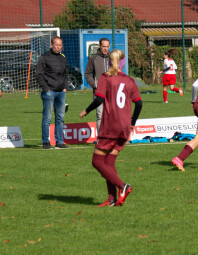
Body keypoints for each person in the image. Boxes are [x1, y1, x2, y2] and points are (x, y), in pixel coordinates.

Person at [80, 50, 142, 206]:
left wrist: (86, 110)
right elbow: (139, 103)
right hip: (124, 127)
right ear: (123, 63)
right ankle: (112, 198)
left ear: (110, 62)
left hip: (110, 126)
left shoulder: (105, 78)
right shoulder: (129, 80)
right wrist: (132, 123)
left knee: (97, 161)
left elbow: (99, 99)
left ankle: (123, 186)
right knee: (108, 163)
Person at [35, 36, 68, 150]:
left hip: (61, 92)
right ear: (51, 45)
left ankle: (59, 141)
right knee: (47, 118)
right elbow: (38, 75)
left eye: (60, 45)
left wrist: (65, 87)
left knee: (60, 118)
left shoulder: (63, 58)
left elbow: (65, 74)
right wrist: (46, 88)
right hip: (49, 92)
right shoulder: (44, 58)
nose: (58, 47)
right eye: (56, 45)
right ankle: (46, 141)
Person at [84, 37, 111, 134]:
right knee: (100, 115)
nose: (106, 49)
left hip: (111, 92)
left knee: (111, 115)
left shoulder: (112, 58)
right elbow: (87, 74)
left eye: (107, 46)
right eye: (104, 46)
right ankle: (101, 138)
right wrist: (95, 85)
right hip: (98, 92)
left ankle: (110, 137)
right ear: (99, 46)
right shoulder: (93, 58)